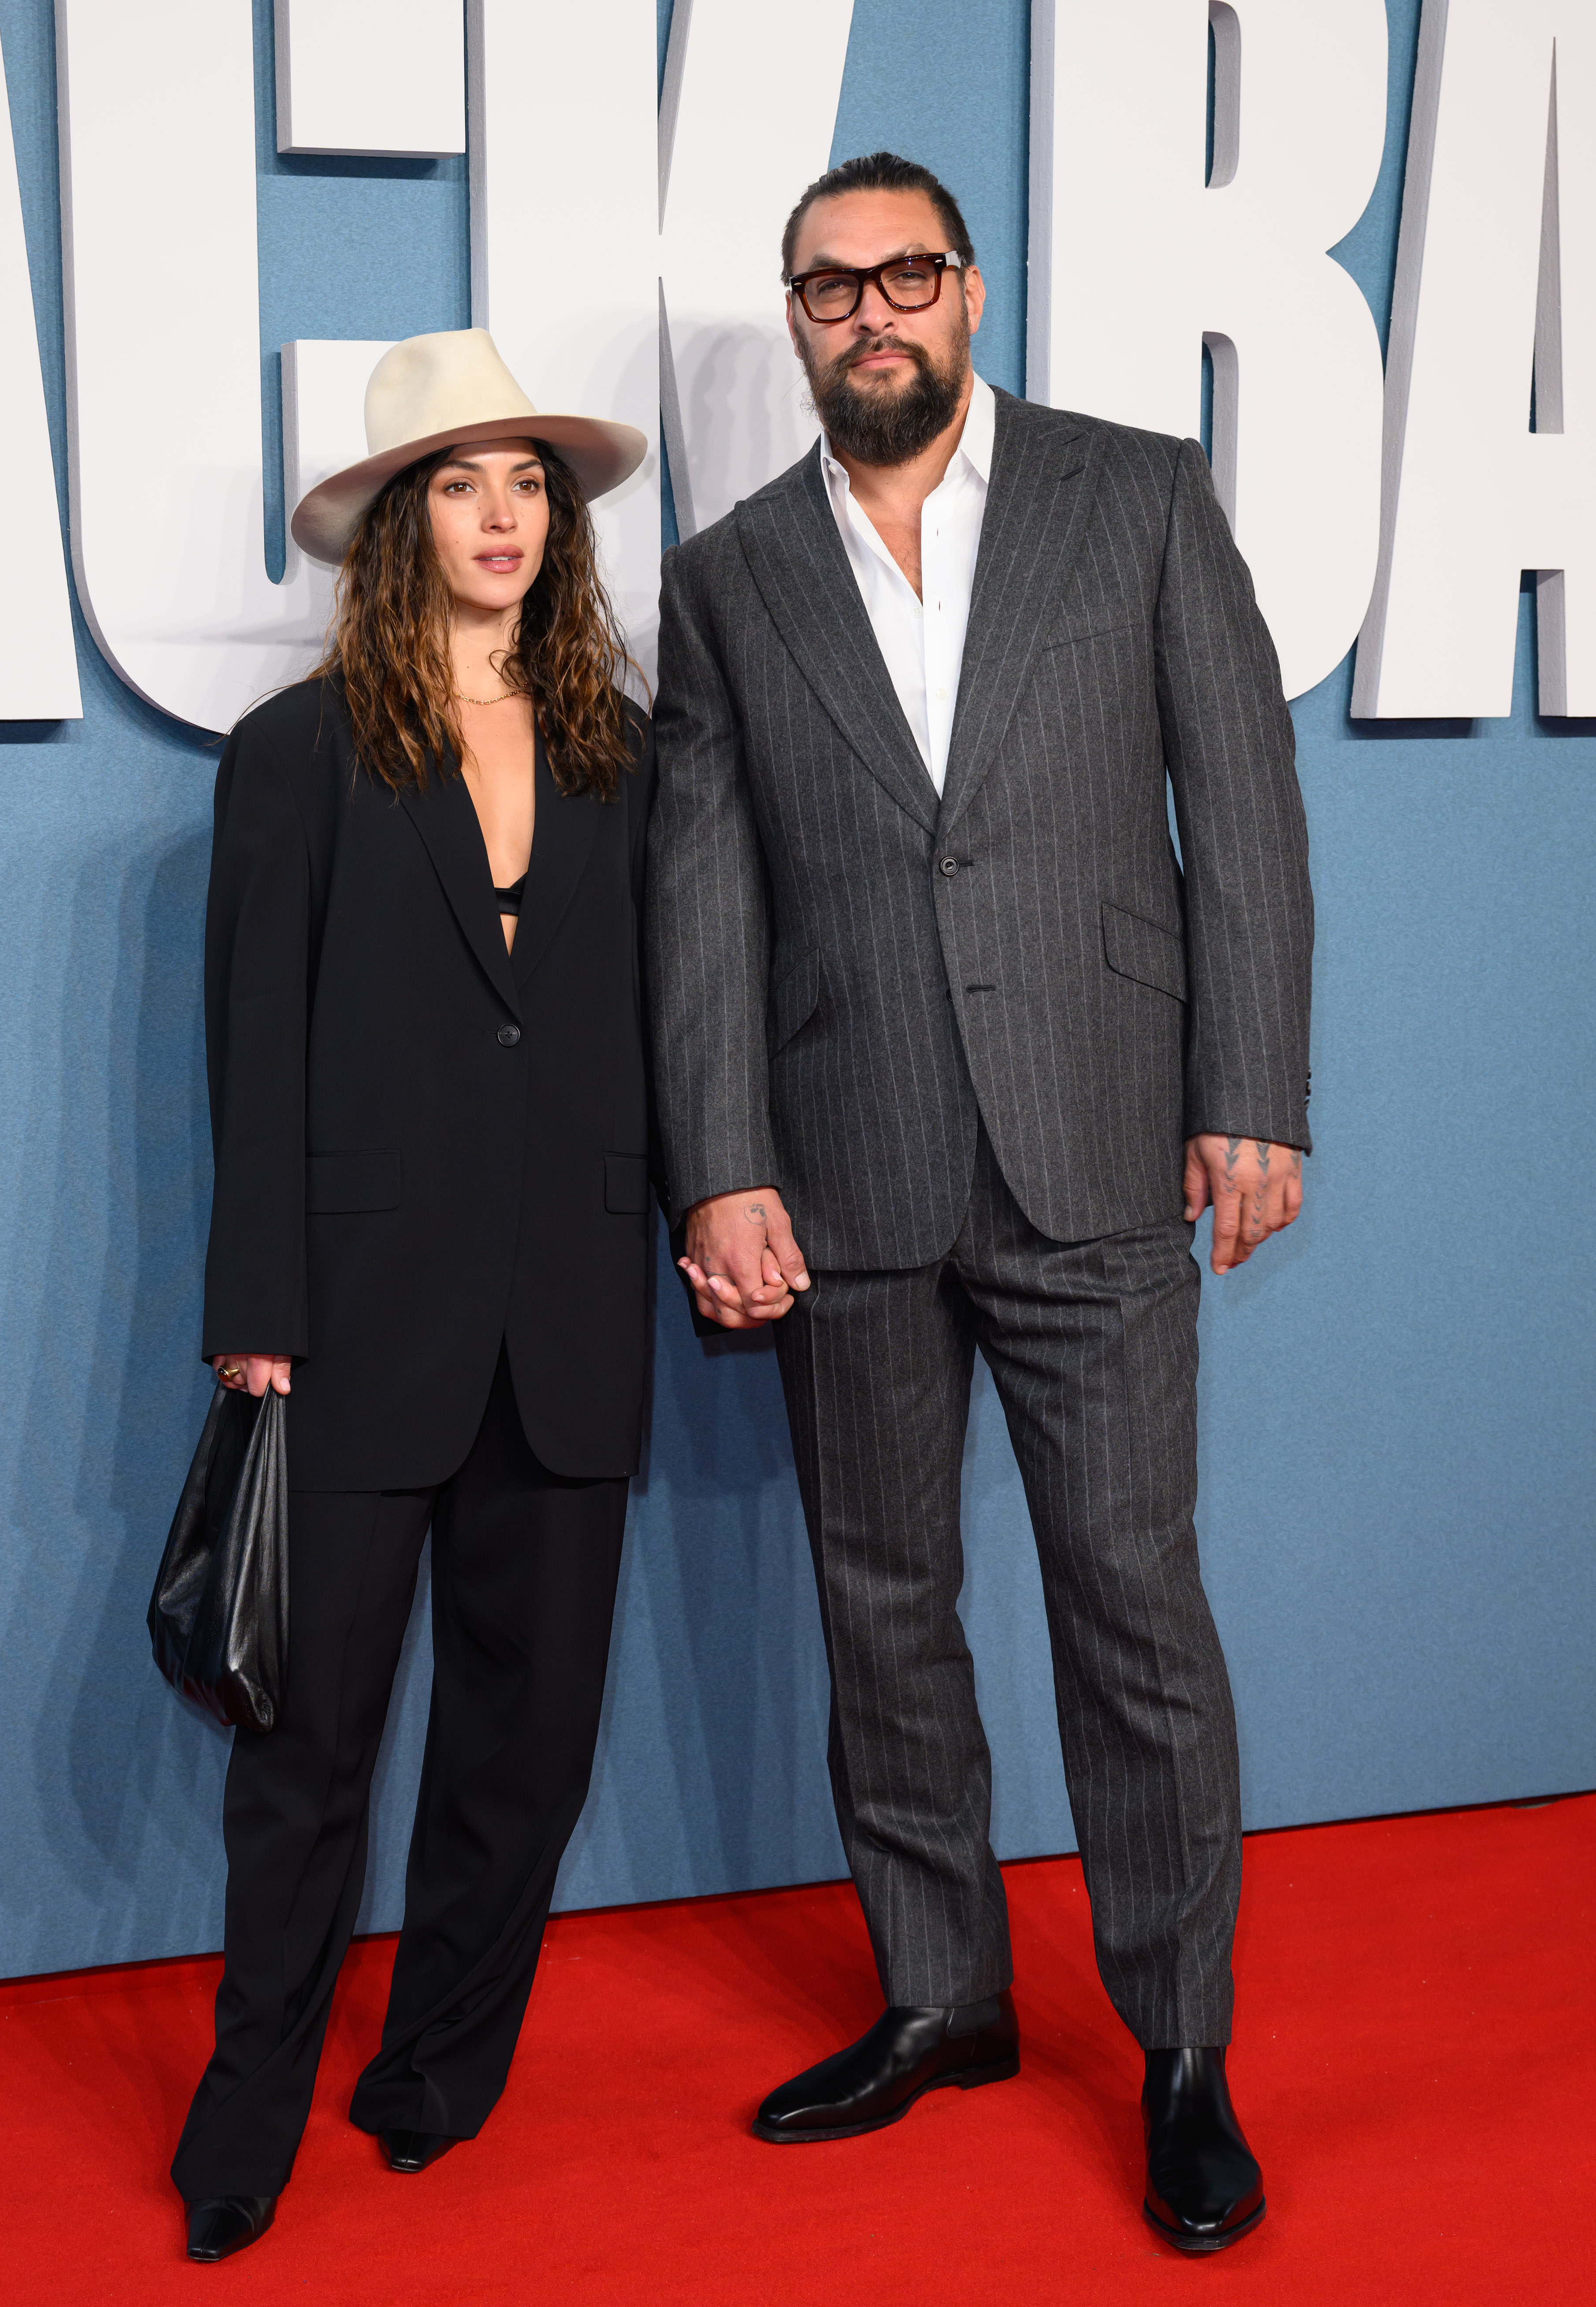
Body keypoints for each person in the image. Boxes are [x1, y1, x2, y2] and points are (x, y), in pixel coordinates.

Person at [647, 153, 1311, 2255]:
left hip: (1097, 1140)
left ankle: (1182, 2046)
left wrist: (1252, 1093)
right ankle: (938, 1994)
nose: (870, 316)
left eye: (903, 276)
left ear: (969, 289)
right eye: (827, 289)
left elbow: (1247, 809)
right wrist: (721, 1157)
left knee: (1130, 1606)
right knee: (883, 1612)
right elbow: (701, 886)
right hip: (842, 1173)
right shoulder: (731, 573)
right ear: (795, 320)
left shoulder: (1131, 500)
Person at [172, 330, 653, 2263]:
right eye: (462, 485)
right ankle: (245, 2113)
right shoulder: (297, 754)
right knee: (309, 1754)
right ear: (395, 524)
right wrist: (256, 1298)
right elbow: (251, 1042)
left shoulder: (624, 742)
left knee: (525, 1745)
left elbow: (633, 1022)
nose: (503, 517)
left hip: (572, 1321)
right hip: (358, 1320)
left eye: (527, 482)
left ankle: (439, 2069)